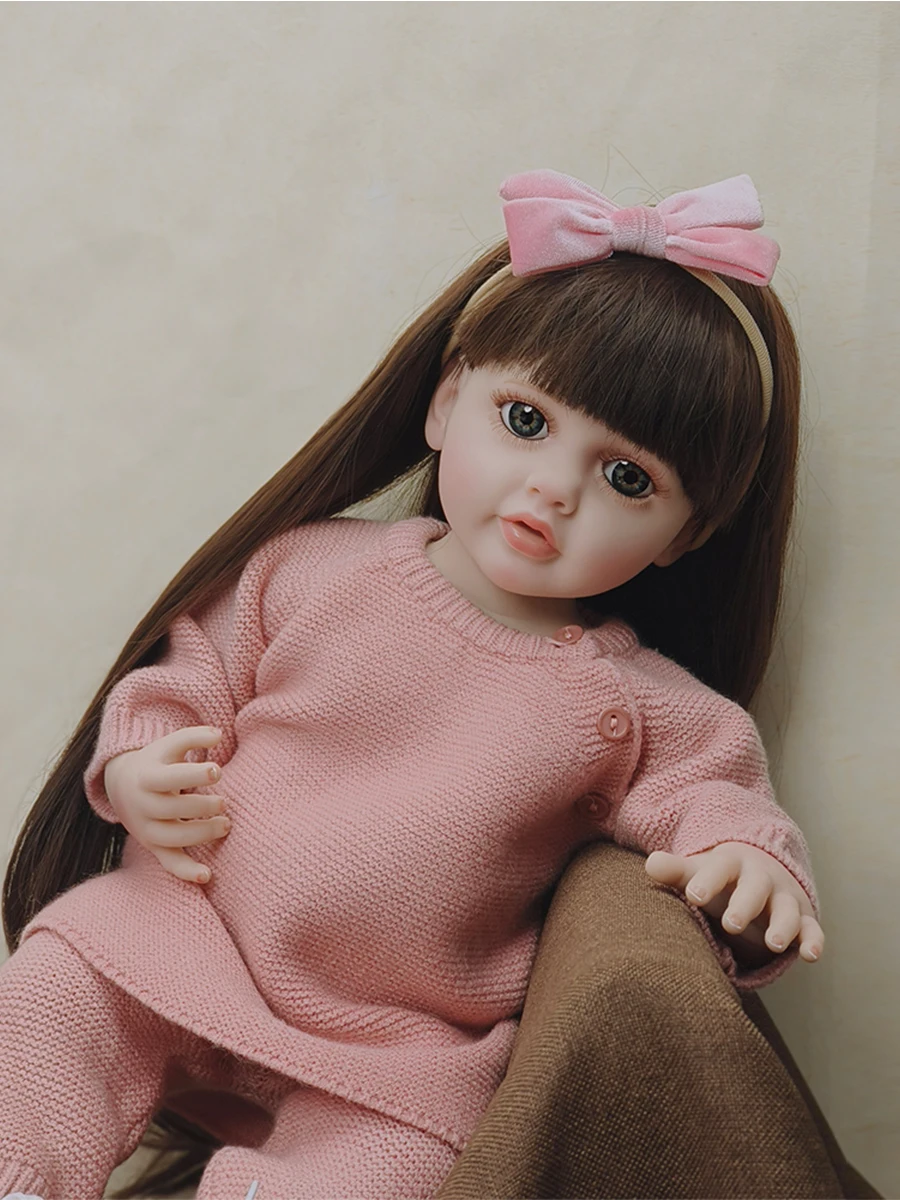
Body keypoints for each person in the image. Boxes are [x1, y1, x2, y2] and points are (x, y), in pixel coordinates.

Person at [0, 169, 825, 1200]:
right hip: (184, 939)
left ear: (685, 536)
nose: (552, 488)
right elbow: (188, 675)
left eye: (627, 478)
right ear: (445, 402)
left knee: (399, 1169)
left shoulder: (632, 701)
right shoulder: (309, 567)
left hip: (396, 1055)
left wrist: (749, 863)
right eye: (524, 420)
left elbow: (715, 794)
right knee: (52, 994)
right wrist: (137, 770)